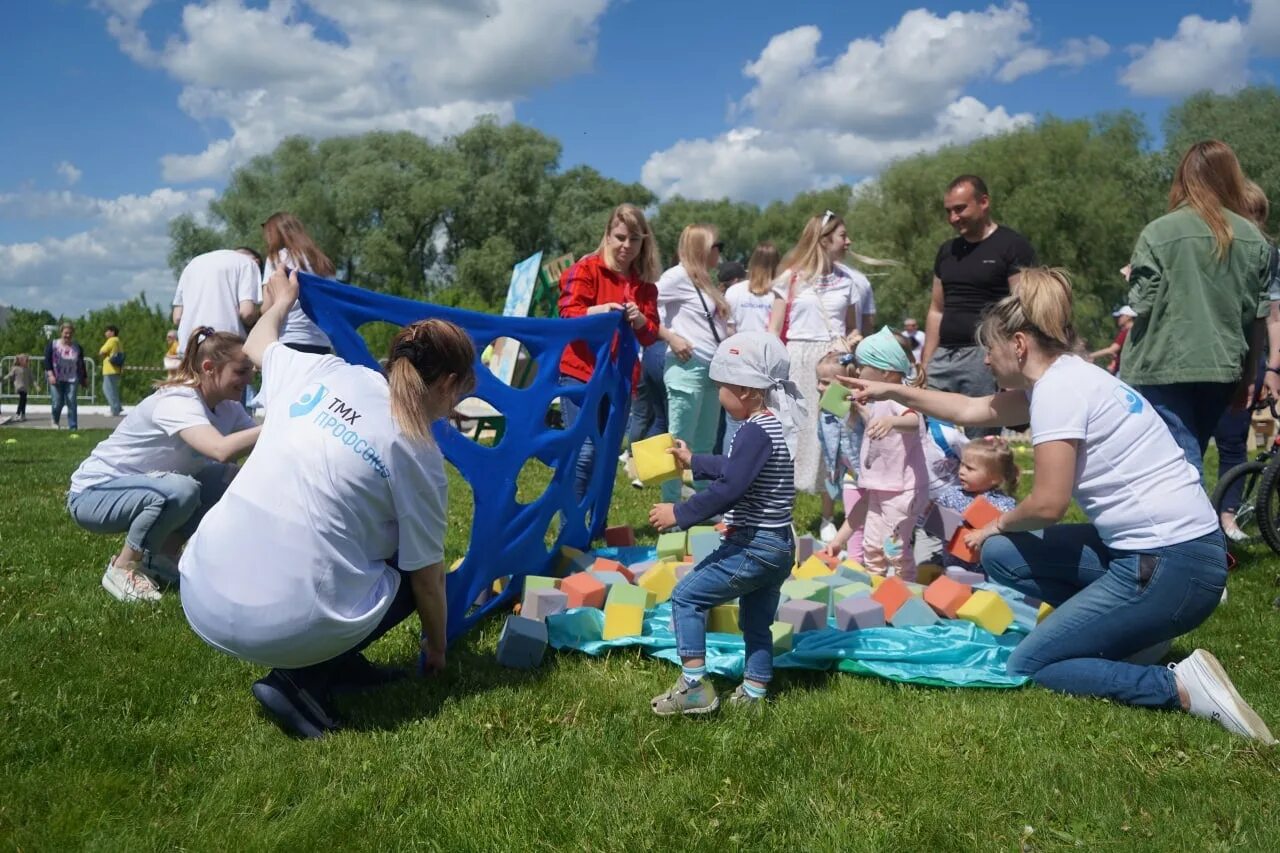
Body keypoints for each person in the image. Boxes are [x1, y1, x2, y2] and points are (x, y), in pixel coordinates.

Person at [841, 266, 1275, 744]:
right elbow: (972, 410)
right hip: (1172, 556)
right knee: (1003, 556)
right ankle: (1134, 637)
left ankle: (1179, 686)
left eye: (991, 348)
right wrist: (893, 390)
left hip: (1172, 566)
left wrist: (996, 523)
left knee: (1032, 661)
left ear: (1020, 345)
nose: (986, 360)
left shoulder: (1057, 394)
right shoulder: (1070, 376)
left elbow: (1048, 503)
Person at [179, 269, 474, 739]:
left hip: (202, 582)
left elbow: (257, 342)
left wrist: (280, 302)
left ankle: (338, 662)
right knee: (412, 565)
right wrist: (436, 649)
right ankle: (299, 684)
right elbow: (428, 579)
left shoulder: (324, 370)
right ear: (450, 384)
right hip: (279, 622)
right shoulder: (418, 452)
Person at [647, 331, 801, 714]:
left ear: (747, 391)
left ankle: (695, 687)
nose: (718, 393)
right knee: (756, 621)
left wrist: (679, 514)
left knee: (687, 597)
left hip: (754, 545)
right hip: (779, 545)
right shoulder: (768, 426)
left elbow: (730, 487)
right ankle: (753, 693)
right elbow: (735, 469)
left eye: (722, 386)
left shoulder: (752, 431)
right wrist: (694, 459)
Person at [66, 328, 261, 603]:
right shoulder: (179, 400)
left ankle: (160, 559)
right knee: (181, 489)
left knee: (229, 478)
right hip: (92, 495)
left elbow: (259, 447)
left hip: (144, 489)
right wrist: (278, 425)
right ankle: (123, 567)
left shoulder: (228, 407)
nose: (250, 378)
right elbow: (220, 449)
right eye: (241, 371)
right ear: (209, 368)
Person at [1121, 141, 1272, 475]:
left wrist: (1132, 276)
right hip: (1223, 366)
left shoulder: (1159, 232)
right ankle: (1196, 521)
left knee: (1181, 465)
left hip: (1162, 365)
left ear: (1183, 178)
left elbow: (1141, 303)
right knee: (1191, 454)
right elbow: (1256, 316)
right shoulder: (1252, 238)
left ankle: (1200, 528)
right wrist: (1250, 374)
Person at [558, 204, 662, 499]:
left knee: (604, 457)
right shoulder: (585, 269)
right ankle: (571, 534)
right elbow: (567, 315)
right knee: (584, 452)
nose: (626, 246)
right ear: (607, 235)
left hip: (620, 380)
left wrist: (640, 319)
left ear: (644, 243)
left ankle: (594, 529)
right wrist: (599, 310)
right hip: (580, 374)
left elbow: (651, 335)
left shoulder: (645, 288)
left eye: (635, 239)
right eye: (620, 237)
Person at [923, 175, 1036, 433]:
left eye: (960, 209)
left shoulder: (1012, 245)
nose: (953, 218)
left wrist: (1012, 364)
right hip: (944, 357)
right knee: (929, 435)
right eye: (949, 211)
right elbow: (936, 310)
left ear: (983, 202)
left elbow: (1022, 309)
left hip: (984, 355)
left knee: (981, 447)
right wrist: (927, 361)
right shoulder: (946, 251)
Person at [767, 212, 866, 495]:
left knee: (834, 432)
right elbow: (774, 330)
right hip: (797, 361)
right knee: (793, 432)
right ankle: (783, 505)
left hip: (833, 365)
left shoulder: (849, 281)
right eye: (843, 236)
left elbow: (852, 329)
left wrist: (852, 342)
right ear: (824, 240)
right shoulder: (790, 279)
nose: (849, 241)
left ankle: (827, 510)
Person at [821, 328, 928, 579]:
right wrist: (864, 412)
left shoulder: (898, 395)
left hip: (903, 490)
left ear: (886, 373)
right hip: (882, 484)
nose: (857, 371)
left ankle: (904, 595)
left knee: (895, 550)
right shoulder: (880, 399)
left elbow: (915, 422)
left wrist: (892, 421)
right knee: (872, 547)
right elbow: (877, 424)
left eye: (862, 366)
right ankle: (876, 589)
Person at [1214, 180, 1279, 539]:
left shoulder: (1269, 257)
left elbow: (1274, 317)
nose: (1251, 223)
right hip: (1210, 354)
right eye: (1244, 214)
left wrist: (1272, 368)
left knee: (1233, 441)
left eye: (1257, 216)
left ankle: (1228, 515)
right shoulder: (1213, 249)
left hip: (1249, 360)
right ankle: (1192, 521)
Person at [656, 225, 732, 504]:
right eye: (716, 245)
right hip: (687, 367)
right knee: (678, 443)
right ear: (702, 248)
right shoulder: (676, 276)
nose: (720, 252)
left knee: (704, 445)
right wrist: (670, 336)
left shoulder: (703, 280)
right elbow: (642, 302)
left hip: (711, 371)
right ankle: (670, 508)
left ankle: (704, 504)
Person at [933, 438, 1019, 570]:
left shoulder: (1004, 504)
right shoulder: (951, 495)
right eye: (962, 464)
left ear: (994, 478)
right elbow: (936, 529)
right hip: (953, 567)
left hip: (988, 572)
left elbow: (1010, 537)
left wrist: (983, 533)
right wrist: (932, 517)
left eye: (970, 468)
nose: (962, 471)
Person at [260, 213, 337, 354]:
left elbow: (267, 307)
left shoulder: (277, 258)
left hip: (290, 337)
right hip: (322, 341)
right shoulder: (323, 261)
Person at [173, 248, 264, 355]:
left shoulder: (192, 264)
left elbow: (177, 317)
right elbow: (247, 313)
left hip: (189, 347)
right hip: (225, 348)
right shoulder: (248, 264)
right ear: (256, 261)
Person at [814, 352, 862, 549]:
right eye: (818, 381)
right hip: (845, 469)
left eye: (825, 382)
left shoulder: (861, 408)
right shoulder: (827, 408)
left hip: (864, 471)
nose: (819, 387)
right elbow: (825, 439)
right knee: (854, 511)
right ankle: (832, 523)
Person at [44, 323, 86, 430]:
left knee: (71, 401)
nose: (68, 335)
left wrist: (84, 378)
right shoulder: (53, 345)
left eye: (70, 333)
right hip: (56, 377)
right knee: (58, 402)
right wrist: (50, 375)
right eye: (66, 333)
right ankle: (55, 420)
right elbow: (47, 360)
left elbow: (81, 363)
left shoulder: (77, 347)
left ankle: (73, 426)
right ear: (61, 332)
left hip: (72, 378)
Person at [1090, 304, 1136, 375]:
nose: (1119, 319)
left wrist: (1091, 356)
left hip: (1125, 372)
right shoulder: (1138, 331)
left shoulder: (1126, 332)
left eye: (1121, 316)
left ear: (1128, 317)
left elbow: (1112, 350)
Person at [99, 325, 124, 416]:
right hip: (116, 369)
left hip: (109, 369)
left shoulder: (111, 340)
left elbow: (102, 351)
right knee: (113, 389)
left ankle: (114, 409)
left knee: (107, 389)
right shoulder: (118, 341)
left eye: (107, 331)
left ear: (112, 332)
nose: (105, 333)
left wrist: (102, 353)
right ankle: (117, 407)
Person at [5, 354, 32, 422]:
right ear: (21, 361)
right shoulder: (15, 368)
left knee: (24, 400)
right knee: (22, 399)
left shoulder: (27, 369)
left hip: (25, 387)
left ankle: (23, 415)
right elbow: (10, 374)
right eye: (27, 361)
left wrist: (36, 385)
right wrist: (4, 378)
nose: (28, 362)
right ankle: (18, 414)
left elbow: (32, 377)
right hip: (19, 386)